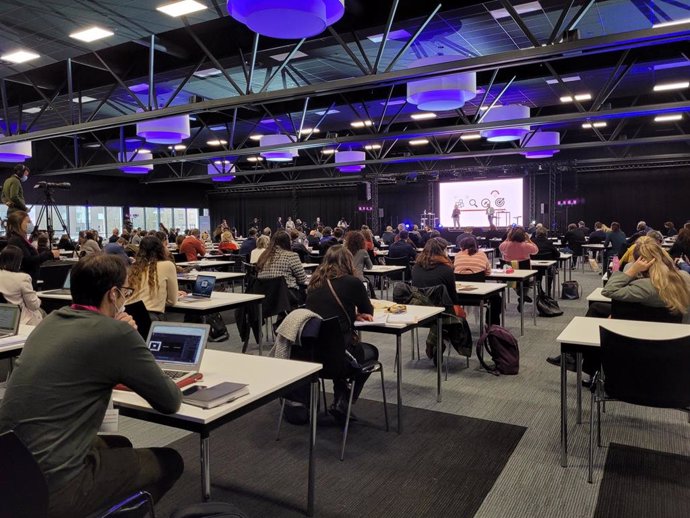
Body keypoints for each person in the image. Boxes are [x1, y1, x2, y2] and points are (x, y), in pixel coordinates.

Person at [0, 254, 184, 517]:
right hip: (56, 485)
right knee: (170, 461)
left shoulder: (50, 321)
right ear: (113, 294)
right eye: (124, 292)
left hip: (12, 472)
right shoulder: (116, 334)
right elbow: (169, 400)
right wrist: (128, 336)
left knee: (119, 443)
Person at [305, 245, 376, 421]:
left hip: (311, 355)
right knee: (371, 352)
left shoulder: (314, 283)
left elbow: (326, 312)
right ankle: (344, 399)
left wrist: (351, 314)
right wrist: (357, 314)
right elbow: (369, 311)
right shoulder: (353, 283)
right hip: (339, 357)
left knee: (337, 344)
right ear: (348, 262)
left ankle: (341, 397)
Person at [127, 236, 184, 319]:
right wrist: (160, 297)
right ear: (161, 249)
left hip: (128, 315)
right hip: (150, 316)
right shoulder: (168, 265)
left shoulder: (134, 268)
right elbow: (172, 301)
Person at [454, 236, 501, 326]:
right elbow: (487, 272)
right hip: (479, 294)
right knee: (496, 298)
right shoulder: (482, 254)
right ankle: (492, 324)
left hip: (459, 296)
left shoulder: (458, 255)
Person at [5, 210, 59, 285]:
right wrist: (49, 254)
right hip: (25, 281)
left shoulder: (21, 239)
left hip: (30, 279)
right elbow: (28, 260)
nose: (31, 224)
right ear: (19, 223)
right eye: (28, 222)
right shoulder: (16, 240)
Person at [256, 230, 307, 306]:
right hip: (286, 297)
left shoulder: (263, 256)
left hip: (265, 297)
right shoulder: (291, 256)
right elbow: (302, 279)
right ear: (288, 242)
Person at [0, 245, 43, 325]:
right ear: (18, 261)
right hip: (21, 320)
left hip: (3, 320)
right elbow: (33, 305)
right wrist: (38, 300)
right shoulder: (23, 278)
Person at [499, 226, 538, 305]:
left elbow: (500, 248)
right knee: (525, 282)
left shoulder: (505, 245)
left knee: (514, 281)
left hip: (509, 275)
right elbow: (536, 250)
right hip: (525, 275)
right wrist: (529, 240)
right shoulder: (526, 245)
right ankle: (522, 294)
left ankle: (519, 291)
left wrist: (508, 238)